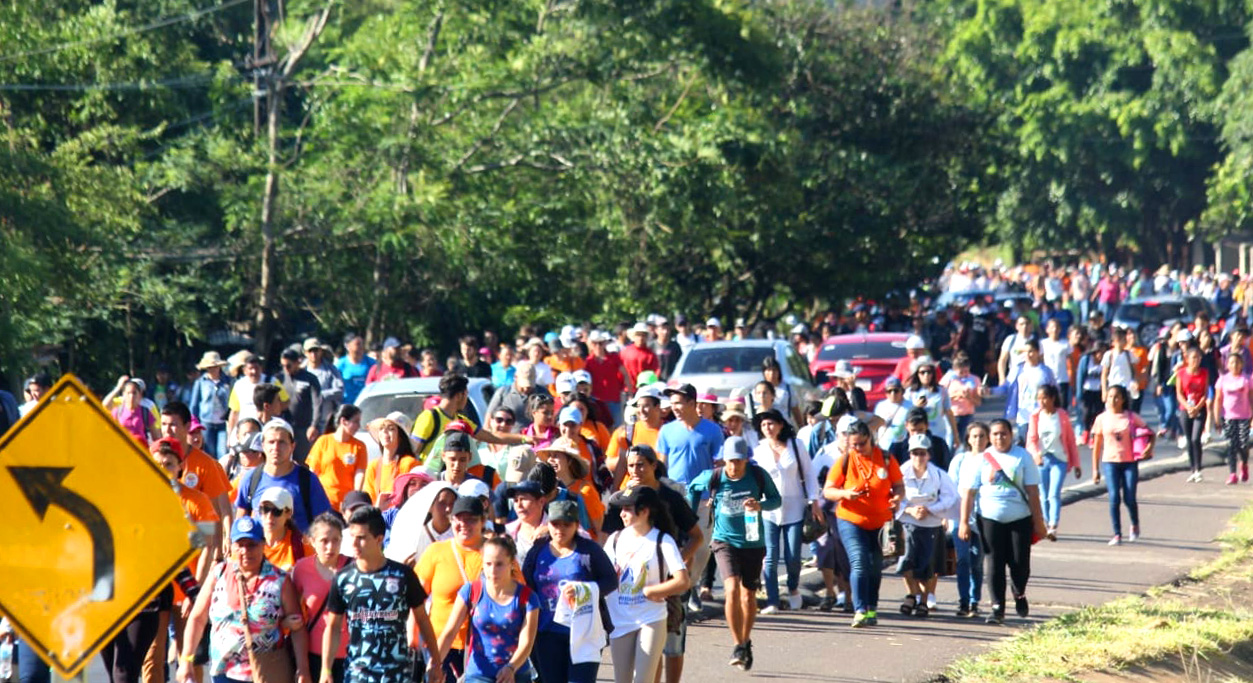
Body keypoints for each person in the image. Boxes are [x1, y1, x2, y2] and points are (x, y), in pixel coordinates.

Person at [600, 445, 703, 683]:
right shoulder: (623, 502)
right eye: (630, 465)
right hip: (625, 606)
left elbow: (696, 537)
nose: (635, 470)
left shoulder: (670, 500)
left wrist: (672, 566)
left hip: (664, 587)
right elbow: (608, 541)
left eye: (640, 465)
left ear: (653, 466)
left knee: (672, 646)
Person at [177, 516, 312, 683]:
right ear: (232, 546)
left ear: (263, 544)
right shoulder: (219, 573)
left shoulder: (280, 580)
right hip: (223, 673)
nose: (245, 551)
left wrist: (303, 669)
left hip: (266, 673)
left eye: (252, 545)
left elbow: (298, 627)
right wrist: (186, 660)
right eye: (240, 545)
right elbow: (197, 618)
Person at [686, 436, 781, 670]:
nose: (734, 466)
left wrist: (760, 505)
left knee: (748, 596)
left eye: (738, 461)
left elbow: (776, 499)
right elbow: (693, 488)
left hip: (752, 541)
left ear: (746, 460)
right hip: (724, 540)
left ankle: (745, 642)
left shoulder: (758, 476)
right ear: (723, 460)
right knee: (731, 589)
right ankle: (738, 644)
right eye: (730, 461)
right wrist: (691, 519)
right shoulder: (714, 476)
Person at [323, 506, 444, 683]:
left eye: (361, 538)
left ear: (379, 539)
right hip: (358, 674)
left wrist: (435, 661)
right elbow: (333, 626)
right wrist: (325, 669)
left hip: (396, 674)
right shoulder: (343, 578)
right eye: (352, 537)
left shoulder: (402, 575)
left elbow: (422, 619)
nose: (354, 544)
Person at [957, 419, 1048, 625]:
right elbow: (969, 494)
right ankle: (997, 607)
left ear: (1011, 435)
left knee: (1019, 563)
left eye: (1004, 433)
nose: (1000, 437)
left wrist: (1039, 522)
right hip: (989, 518)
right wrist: (963, 522)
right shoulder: (981, 460)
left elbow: (1033, 492)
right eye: (995, 434)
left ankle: (1019, 592)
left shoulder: (1022, 456)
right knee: (994, 562)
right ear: (990, 437)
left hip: (1020, 518)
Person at [521, 500, 617, 683]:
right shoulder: (538, 551)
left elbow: (611, 581)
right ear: (548, 524)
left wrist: (584, 590)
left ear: (576, 525)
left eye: (567, 524)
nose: (560, 529)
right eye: (555, 524)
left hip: (584, 632)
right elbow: (526, 586)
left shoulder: (589, 550)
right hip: (547, 633)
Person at [603, 486, 690, 683]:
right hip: (620, 619)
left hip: (651, 618)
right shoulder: (614, 540)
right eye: (622, 509)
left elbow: (682, 580)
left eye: (628, 509)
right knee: (621, 680)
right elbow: (603, 576)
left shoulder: (662, 540)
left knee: (643, 679)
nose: (622, 514)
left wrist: (653, 591)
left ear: (644, 511)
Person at [821, 420, 904, 628]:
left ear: (871, 439)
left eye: (862, 444)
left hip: (881, 523)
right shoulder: (845, 460)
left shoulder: (886, 458)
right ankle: (859, 610)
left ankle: (871, 608)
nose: (858, 448)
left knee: (875, 566)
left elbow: (898, 485)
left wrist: (897, 498)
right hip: (851, 520)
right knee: (859, 561)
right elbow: (828, 491)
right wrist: (844, 494)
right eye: (854, 445)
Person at [417, 496, 509, 681]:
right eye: (458, 519)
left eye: (471, 519)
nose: (464, 524)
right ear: (451, 520)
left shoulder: (498, 553)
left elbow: (516, 595)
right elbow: (415, 599)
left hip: (487, 646)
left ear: (483, 521)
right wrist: (413, 637)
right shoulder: (436, 551)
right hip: (441, 643)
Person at [434, 535, 540, 683]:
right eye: (488, 564)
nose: (493, 570)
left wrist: (511, 667)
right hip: (479, 674)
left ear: (512, 563)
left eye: (499, 564)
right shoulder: (471, 591)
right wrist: (434, 665)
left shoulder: (527, 598)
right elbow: (449, 632)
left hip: (516, 674)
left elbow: (526, 642)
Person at [750, 408, 820, 614]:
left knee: (793, 556)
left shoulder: (796, 445)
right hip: (768, 509)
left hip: (795, 507)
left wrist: (814, 500)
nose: (767, 428)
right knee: (770, 556)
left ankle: (793, 588)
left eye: (771, 423)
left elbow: (809, 473)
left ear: (781, 425)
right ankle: (772, 600)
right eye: (763, 425)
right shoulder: (758, 450)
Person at [235, 417, 333, 535]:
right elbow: (240, 521)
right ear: (263, 445)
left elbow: (322, 521)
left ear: (292, 446)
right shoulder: (251, 478)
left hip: (300, 546)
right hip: (261, 545)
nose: (276, 448)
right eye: (271, 442)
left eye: (282, 442)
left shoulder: (307, 479)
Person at [895, 434, 958, 618]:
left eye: (922, 453)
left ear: (928, 455)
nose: (918, 457)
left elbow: (950, 497)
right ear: (910, 454)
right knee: (906, 561)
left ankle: (924, 599)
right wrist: (909, 510)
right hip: (908, 523)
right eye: (915, 453)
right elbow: (893, 496)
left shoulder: (938, 475)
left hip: (932, 524)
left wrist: (930, 510)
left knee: (930, 564)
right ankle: (911, 594)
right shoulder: (901, 473)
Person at [411, 373, 531, 463]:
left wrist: (524, 438)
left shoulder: (461, 421)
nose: (466, 399)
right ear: (460, 395)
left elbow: (491, 436)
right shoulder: (429, 417)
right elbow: (413, 451)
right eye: (466, 394)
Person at [1091, 386, 1155, 545]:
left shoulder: (1131, 417)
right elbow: (1097, 446)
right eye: (1110, 396)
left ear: (1123, 399)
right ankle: (1117, 534)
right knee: (1114, 498)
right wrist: (1095, 469)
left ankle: (1134, 523)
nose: (1113, 400)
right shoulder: (1101, 419)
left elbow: (1150, 433)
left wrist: (1149, 448)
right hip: (1110, 462)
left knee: (1129, 497)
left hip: (1129, 462)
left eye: (1117, 397)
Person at [292, 513, 351, 683]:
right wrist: (288, 621)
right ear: (312, 541)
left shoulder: (354, 568)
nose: (330, 547)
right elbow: (292, 609)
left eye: (336, 540)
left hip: (350, 653)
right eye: (324, 541)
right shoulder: (301, 569)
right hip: (314, 654)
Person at [1025, 384, 1081, 539]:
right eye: (1039, 398)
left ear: (1052, 398)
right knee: (1043, 494)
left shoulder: (1061, 416)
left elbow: (1070, 440)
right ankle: (1046, 522)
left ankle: (1053, 525)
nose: (1041, 402)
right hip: (1042, 460)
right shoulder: (1035, 417)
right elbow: (1031, 440)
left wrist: (1076, 463)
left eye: (1044, 398)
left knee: (1053, 494)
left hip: (1059, 459)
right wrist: (1036, 455)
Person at [949, 422, 987, 618]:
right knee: (962, 559)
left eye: (982, 436)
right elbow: (950, 489)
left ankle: (974, 600)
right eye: (974, 436)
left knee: (977, 561)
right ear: (968, 439)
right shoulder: (960, 460)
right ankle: (963, 601)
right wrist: (948, 517)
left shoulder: (991, 459)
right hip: (960, 516)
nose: (978, 440)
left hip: (982, 517)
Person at [536, 437, 604, 538]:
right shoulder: (549, 489)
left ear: (570, 461)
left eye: (556, 456)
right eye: (550, 455)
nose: (550, 460)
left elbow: (599, 528)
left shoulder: (586, 490)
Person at [306, 404, 367, 510]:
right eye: (356, 421)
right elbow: (313, 472)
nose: (358, 426)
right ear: (343, 421)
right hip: (323, 500)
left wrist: (355, 498)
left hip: (346, 504)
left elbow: (360, 473)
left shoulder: (359, 446)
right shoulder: (323, 441)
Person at [384, 481, 457, 564]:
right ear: (430, 506)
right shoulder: (414, 536)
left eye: (452, 503)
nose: (448, 509)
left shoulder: (459, 535)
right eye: (442, 503)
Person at [363, 412, 419, 507]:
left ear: (401, 436)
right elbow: (368, 499)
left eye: (391, 428)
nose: (385, 431)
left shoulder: (409, 464)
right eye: (382, 428)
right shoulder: (373, 466)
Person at [903, 357, 958, 449]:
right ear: (917, 374)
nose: (926, 375)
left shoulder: (942, 391)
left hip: (938, 434)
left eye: (929, 372)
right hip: (917, 435)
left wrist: (955, 435)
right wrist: (916, 407)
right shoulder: (910, 392)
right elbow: (905, 414)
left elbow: (949, 412)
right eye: (922, 372)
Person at [256, 486, 314, 571]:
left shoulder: (301, 545)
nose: (269, 516)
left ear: (289, 513)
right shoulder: (249, 542)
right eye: (265, 509)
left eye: (276, 511)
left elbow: (313, 575)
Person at [1216, 352, 1253, 485]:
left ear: (1242, 364)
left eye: (1237, 362)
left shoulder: (1247, 379)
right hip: (1228, 417)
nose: (1235, 365)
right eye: (1232, 362)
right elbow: (1218, 399)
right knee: (1231, 445)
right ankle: (1232, 474)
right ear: (1227, 365)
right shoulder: (1223, 380)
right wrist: (1217, 418)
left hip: (1244, 416)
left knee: (1243, 444)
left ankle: (1244, 464)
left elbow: (1251, 398)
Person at [188, 352, 233, 459]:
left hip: (223, 423)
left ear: (219, 367)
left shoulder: (229, 381)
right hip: (206, 422)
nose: (212, 369)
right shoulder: (200, 382)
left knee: (222, 452)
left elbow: (232, 402)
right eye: (209, 367)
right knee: (208, 452)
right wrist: (193, 423)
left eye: (215, 367)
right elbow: (194, 404)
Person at [1176, 345, 1211, 482]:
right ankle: (1192, 469)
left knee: (1196, 438)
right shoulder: (1181, 373)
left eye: (1198, 358)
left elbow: (1205, 393)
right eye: (1193, 358)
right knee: (1189, 439)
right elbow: (1179, 393)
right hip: (1185, 409)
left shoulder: (1204, 373)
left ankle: (1198, 468)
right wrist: (1188, 407)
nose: (1196, 360)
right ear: (1187, 359)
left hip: (1199, 408)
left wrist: (1197, 407)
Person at [486, 361, 546, 430]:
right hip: (509, 435)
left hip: (534, 435)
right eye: (523, 385)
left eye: (529, 386)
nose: (526, 388)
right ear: (515, 377)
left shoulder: (543, 393)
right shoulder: (503, 392)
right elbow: (489, 417)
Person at [940, 352, 982, 441]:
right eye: (961, 372)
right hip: (952, 414)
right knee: (951, 439)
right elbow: (940, 396)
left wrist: (969, 397)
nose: (964, 375)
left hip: (968, 415)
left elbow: (978, 402)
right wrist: (956, 395)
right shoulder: (948, 379)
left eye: (967, 371)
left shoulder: (974, 379)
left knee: (965, 440)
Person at [302, 339, 344, 418]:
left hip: (326, 417)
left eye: (316, 350)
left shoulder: (331, 370)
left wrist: (319, 396)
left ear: (321, 351)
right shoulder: (301, 371)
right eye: (310, 351)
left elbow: (339, 390)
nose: (313, 354)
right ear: (305, 353)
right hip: (306, 418)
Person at [113, 378, 160, 447]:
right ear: (124, 395)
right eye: (128, 393)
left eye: (134, 393)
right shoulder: (117, 412)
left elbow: (155, 437)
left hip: (141, 448)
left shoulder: (145, 412)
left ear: (140, 395)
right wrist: (118, 387)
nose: (131, 396)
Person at [334, 333, 376, 405]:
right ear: (347, 346)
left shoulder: (371, 363)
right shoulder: (340, 365)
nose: (361, 347)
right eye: (357, 344)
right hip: (347, 403)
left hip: (366, 403)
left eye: (362, 344)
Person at [874, 377, 913, 451]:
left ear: (901, 391)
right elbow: (875, 427)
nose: (893, 394)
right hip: (884, 447)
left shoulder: (910, 406)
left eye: (896, 390)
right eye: (889, 391)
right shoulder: (880, 406)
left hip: (903, 447)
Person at [760, 356, 802, 427]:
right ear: (764, 373)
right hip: (767, 428)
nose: (772, 373)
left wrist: (801, 426)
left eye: (774, 370)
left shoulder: (787, 389)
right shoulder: (761, 389)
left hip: (785, 426)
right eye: (769, 370)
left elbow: (795, 410)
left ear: (779, 372)